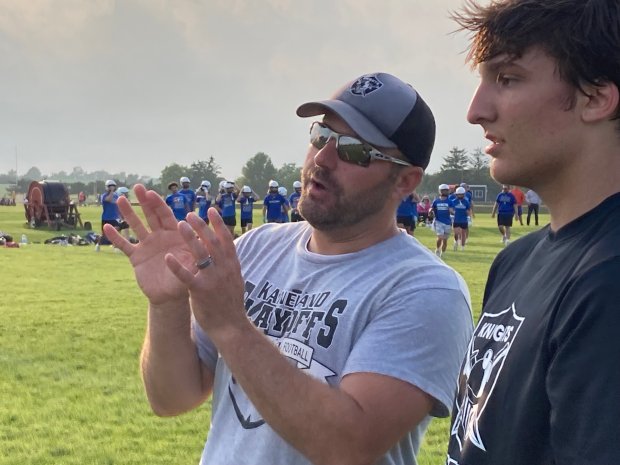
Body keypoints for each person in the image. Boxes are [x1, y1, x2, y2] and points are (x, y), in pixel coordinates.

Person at [105, 72, 473, 465]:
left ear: (405, 181)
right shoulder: (255, 248)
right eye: (320, 136)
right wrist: (166, 305)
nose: (323, 159)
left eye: (353, 150)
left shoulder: (427, 291)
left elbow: (350, 445)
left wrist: (232, 326)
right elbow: (171, 397)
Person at [447, 2, 620, 464]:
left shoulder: (609, 280)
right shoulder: (515, 260)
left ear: (596, 97)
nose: (475, 110)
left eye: (507, 79)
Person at [98, 180, 129, 249]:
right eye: (110, 186)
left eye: (113, 186)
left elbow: (118, 206)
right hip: (106, 218)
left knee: (118, 230)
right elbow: (108, 200)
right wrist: (111, 192)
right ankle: (98, 245)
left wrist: (121, 216)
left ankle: (116, 246)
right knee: (104, 235)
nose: (112, 188)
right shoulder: (103, 196)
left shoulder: (116, 196)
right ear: (107, 187)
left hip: (115, 218)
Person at [432, 184, 453, 257]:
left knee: (445, 240)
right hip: (438, 221)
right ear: (440, 191)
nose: (445, 192)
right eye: (443, 190)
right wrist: (430, 212)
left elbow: (452, 210)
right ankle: (437, 249)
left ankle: (443, 253)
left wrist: (452, 211)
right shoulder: (436, 201)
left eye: (446, 190)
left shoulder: (450, 201)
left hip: (447, 223)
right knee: (440, 237)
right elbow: (432, 209)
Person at [451, 187, 471, 251]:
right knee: (456, 233)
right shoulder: (453, 202)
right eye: (459, 194)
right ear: (456, 194)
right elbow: (451, 210)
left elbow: (468, 210)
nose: (460, 195)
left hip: (464, 220)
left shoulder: (466, 202)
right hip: (456, 219)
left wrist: (468, 215)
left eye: (461, 194)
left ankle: (462, 247)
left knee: (463, 233)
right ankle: (456, 242)